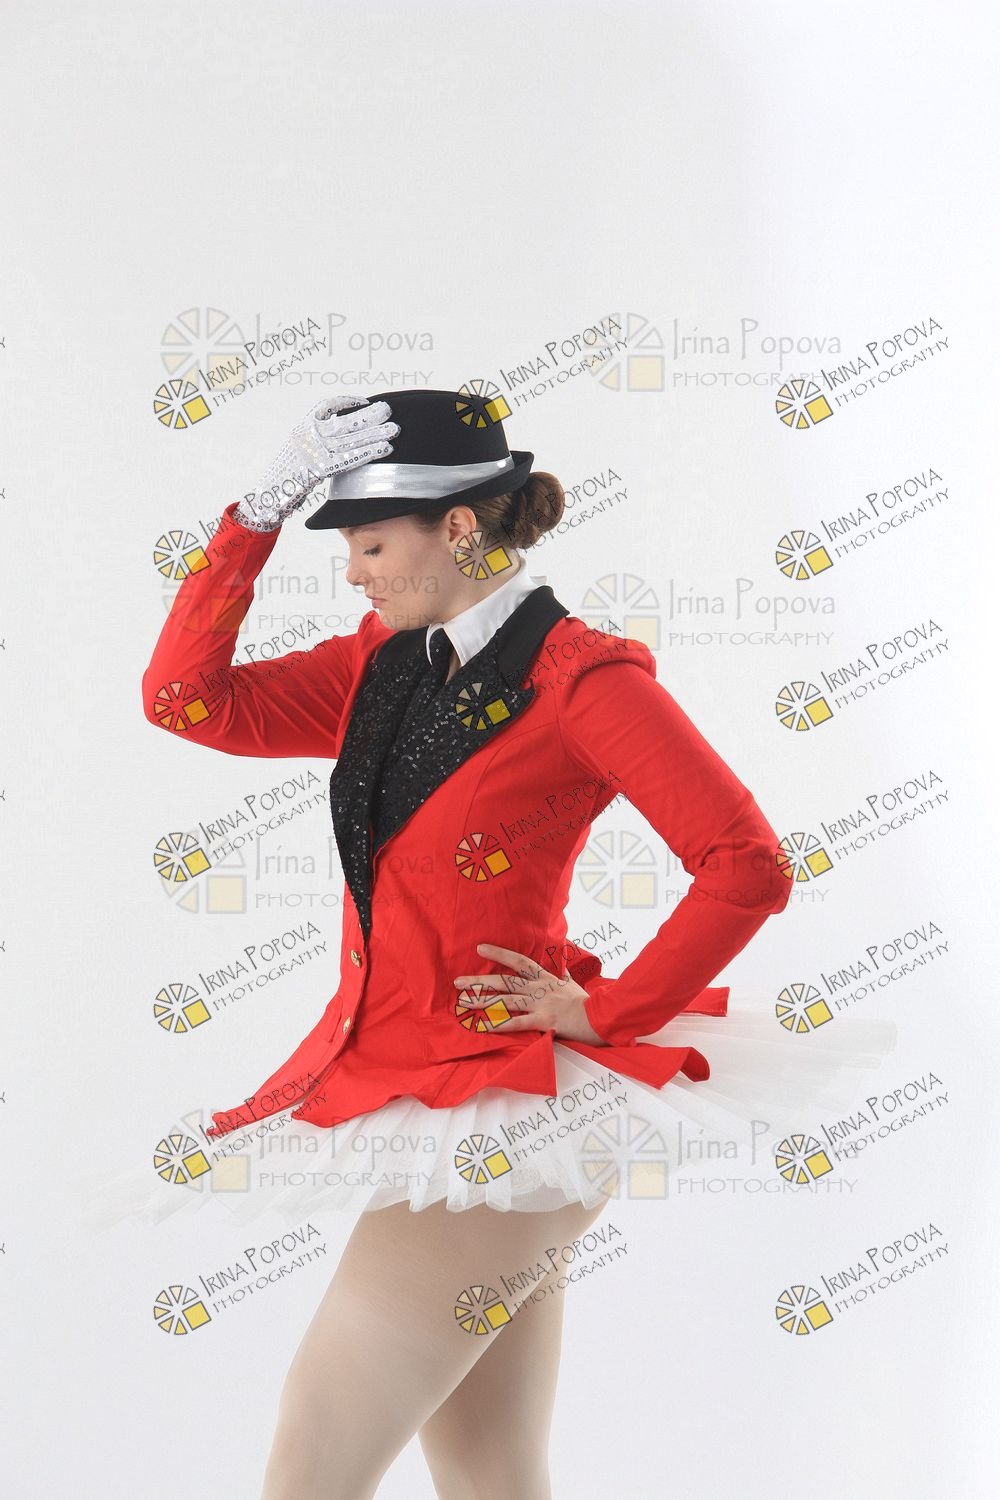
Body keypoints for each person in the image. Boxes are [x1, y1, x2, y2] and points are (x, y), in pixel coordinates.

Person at [124, 389, 895, 1499]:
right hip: (424, 1084)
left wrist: (610, 1011)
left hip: (505, 1098)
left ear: (459, 528)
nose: (353, 575)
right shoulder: (380, 664)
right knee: (490, 1472)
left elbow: (746, 863)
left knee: (310, 1466)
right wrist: (251, 517)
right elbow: (183, 700)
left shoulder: (583, 676)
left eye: (370, 545)